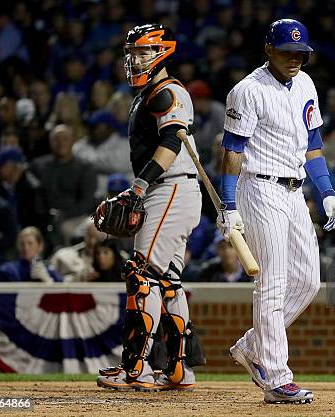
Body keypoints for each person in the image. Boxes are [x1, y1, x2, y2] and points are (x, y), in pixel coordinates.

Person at [219, 19, 335, 404]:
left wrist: (327, 193)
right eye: (288, 51)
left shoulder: (305, 83)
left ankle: (253, 346)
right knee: (271, 283)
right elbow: (231, 152)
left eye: (300, 52)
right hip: (259, 188)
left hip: (294, 190)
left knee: (307, 281)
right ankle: (275, 377)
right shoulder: (247, 91)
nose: (295, 58)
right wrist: (229, 204)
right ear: (269, 49)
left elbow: (314, 145)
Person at [97, 23, 205, 392]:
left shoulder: (167, 91)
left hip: (169, 187)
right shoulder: (150, 92)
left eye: (142, 53)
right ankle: (178, 369)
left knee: (139, 274)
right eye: (132, 54)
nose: (135, 60)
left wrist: (138, 187)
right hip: (175, 190)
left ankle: (136, 368)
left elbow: (171, 144)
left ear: (161, 52)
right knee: (168, 281)